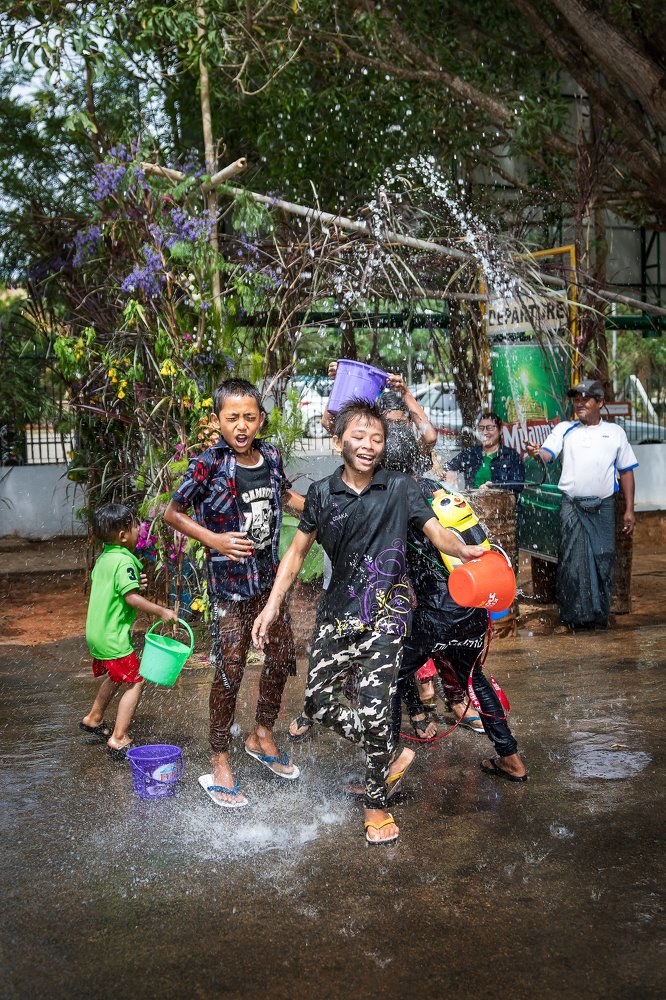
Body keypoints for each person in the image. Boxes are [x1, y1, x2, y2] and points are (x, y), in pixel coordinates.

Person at [251, 399, 487, 845]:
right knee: (319, 703)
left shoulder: (400, 488)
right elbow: (296, 554)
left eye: (376, 439)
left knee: (378, 708)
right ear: (338, 441)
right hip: (337, 614)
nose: (368, 446)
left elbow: (436, 531)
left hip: (389, 612)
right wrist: (271, 606)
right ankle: (390, 752)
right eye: (358, 437)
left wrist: (461, 550)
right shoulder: (322, 494)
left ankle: (376, 804)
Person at [164, 378, 305, 808]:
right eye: (232, 418)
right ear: (217, 421)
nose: (241, 426)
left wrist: (326, 507)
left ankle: (262, 733)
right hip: (228, 587)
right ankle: (220, 754)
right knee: (230, 668)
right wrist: (215, 540)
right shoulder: (207, 464)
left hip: (268, 584)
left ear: (260, 419)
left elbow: (284, 497)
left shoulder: (272, 456)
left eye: (249, 417)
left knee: (282, 654)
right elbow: (172, 513)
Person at [383, 429, 527, 782]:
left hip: (436, 613)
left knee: (391, 677)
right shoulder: (440, 489)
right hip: (473, 606)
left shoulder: (398, 495)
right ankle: (511, 758)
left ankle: (386, 763)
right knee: (474, 678)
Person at [526, 378, 638, 631]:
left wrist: (629, 509)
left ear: (600, 402)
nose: (580, 403)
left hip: (604, 507)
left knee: (603, 558)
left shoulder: (615, 433)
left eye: (586, 398)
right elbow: (547, 454)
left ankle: (599, 616)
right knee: (571, 563)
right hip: (572, 507)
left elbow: (627, 472)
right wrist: (537, 453)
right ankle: (572, 618)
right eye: (576, 399)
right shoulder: (565, 429)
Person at [80, 503, 178, 758]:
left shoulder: (105, 558)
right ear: (123, 535)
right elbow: (130, 598)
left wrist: (135, 585)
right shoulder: (125, 561)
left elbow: (115, 589)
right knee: (135, 681)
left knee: (115, 676)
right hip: (113, 636)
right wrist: (161, 611)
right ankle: (119, 737)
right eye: (135, 526)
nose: (139, 530)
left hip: (97, 632)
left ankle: (94, 717)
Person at [444, 411, 524, 493]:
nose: (484, 432)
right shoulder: (471, 452)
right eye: (481, 428)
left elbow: (518, 485)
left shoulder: (511, 455)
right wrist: (450, 471)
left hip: (501, 502)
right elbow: (447, 466)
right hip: (472, 502)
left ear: (500, 430)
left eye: (489, 428)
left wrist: (494, 486)